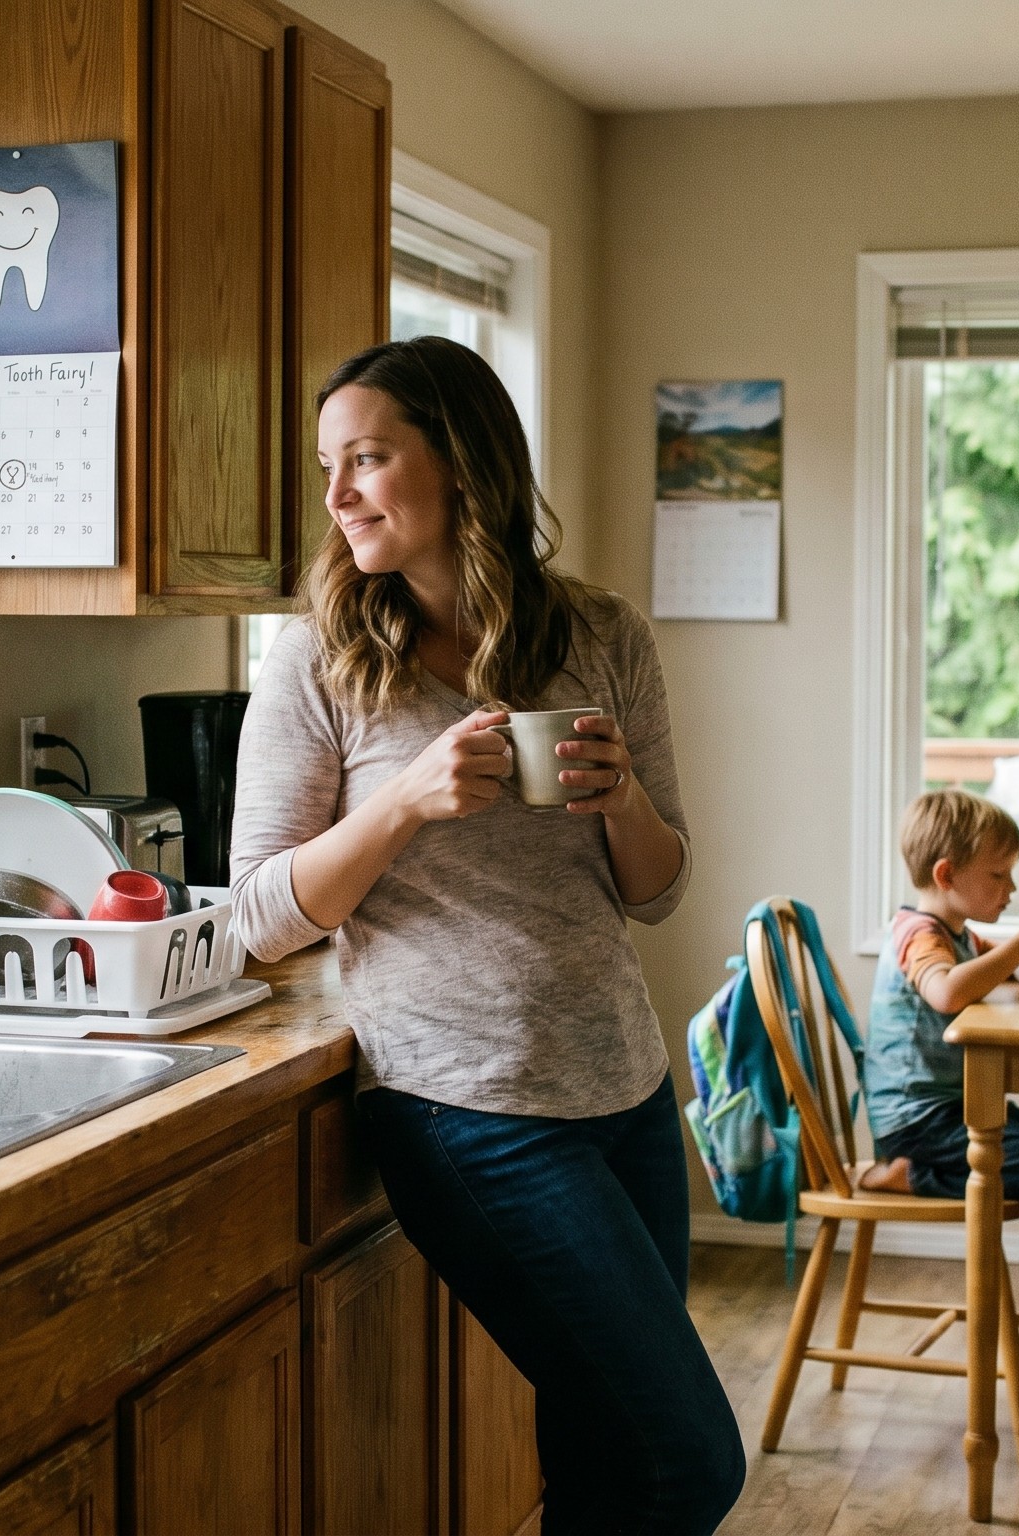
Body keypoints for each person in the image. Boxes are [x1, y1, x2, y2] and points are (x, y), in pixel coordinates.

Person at [228, 336, 743, 1534]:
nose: (337, 494)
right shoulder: (316, 660)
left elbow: (659, 890)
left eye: (366, 458)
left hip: (622, 1087)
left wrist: (623, 802)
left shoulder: (603, 635)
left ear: (460, 465)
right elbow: (256, 914)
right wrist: (402, 801)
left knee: (604, 1464)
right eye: (328, 466)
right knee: (688, 1462)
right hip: (467, 1111)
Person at [858, 788, 1019, 1203]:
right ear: (946, 875)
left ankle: (920, 1173)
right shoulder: (918, 934)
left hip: (954, 1106)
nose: (1010, 887)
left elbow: (1000, 967)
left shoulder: (956, 933)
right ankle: (911, 1177)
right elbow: (947, 992)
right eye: (998, 874)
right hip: (917, 1119)